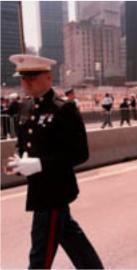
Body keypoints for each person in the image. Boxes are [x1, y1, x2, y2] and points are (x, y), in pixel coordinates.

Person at [5, 54, 103, 269]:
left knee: (40, 255)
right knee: (71, 239)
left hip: (55, 191)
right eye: (22, 78)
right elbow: (24, 144)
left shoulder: (64, 109)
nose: (26, 83)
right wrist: (19, 162)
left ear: (48, 78)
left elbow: (79, 153)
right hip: (38, 189)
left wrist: (40, 164)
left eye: (32, 77)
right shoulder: (24, 107)